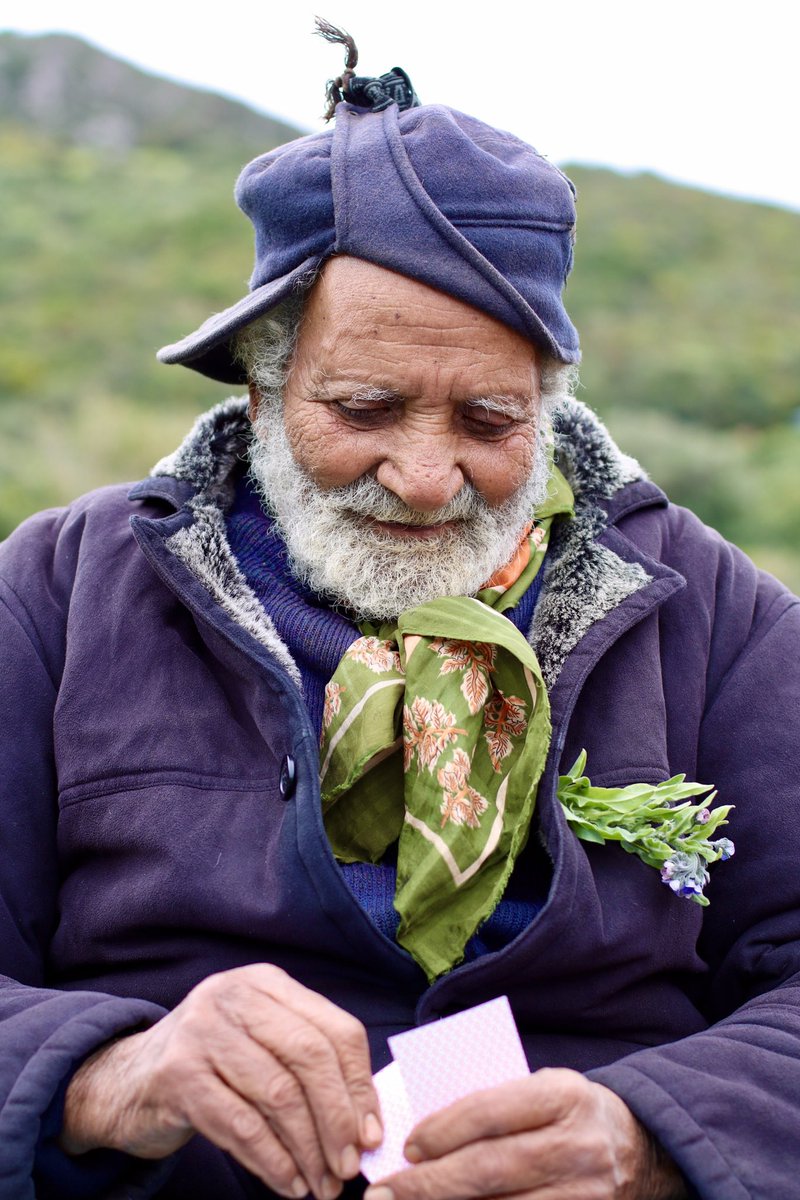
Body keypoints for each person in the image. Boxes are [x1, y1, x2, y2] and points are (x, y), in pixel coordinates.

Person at [1, 29, 799, 1200]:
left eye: (488, 421)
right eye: (365, 407)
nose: (425, 477)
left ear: (548, 398)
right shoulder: (60, 593)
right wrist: (115, 1075)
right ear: (264, 383)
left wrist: (653, 1139)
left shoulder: (715, 614)